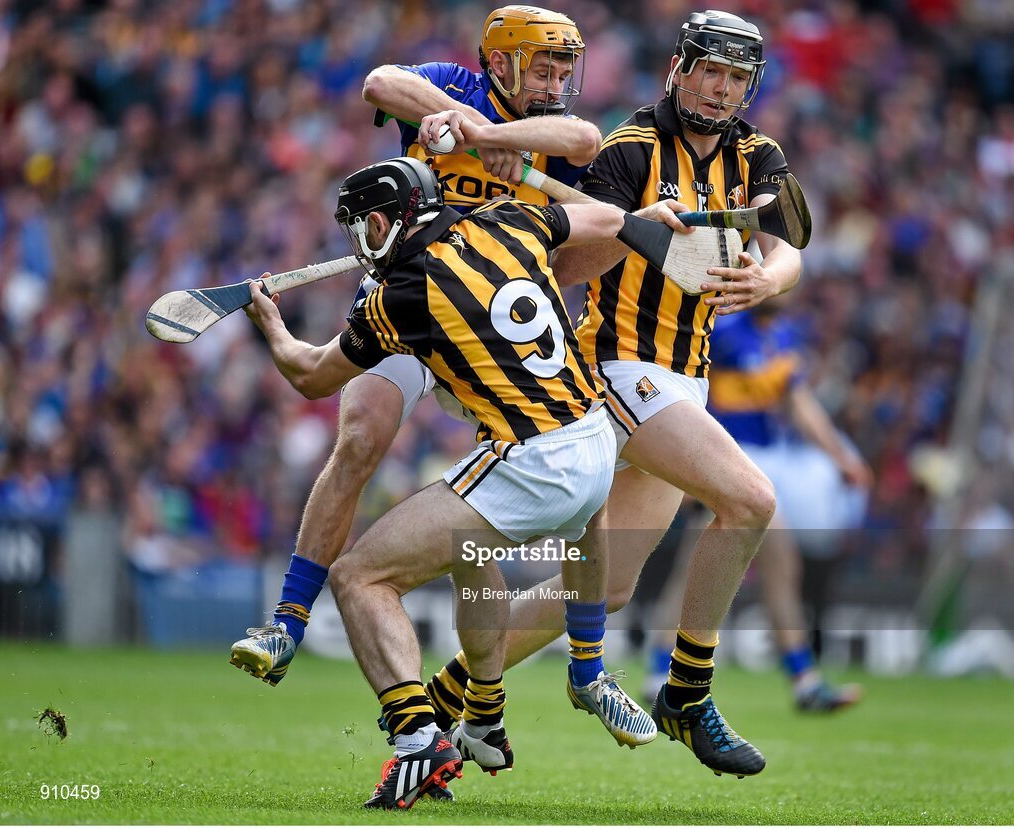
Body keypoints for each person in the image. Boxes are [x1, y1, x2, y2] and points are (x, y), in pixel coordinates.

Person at [423, 9, 801, 779]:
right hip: (619, 371)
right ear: (679, 68)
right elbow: (567, 249)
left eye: (738, 78)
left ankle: (444, 696)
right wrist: (629, 225)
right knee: (752, 501)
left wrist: (769, 276)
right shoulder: (630, 149)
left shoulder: (757, 153)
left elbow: (788, 237)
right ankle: (688, 691)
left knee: (610, 584)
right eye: (712, 72)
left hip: (681, 384)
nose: (723, 90)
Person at [241, 157, 658, 808]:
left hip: (533, 461)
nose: (359, 246)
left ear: (382, 221)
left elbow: (312, 375)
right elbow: (606, 218)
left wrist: (270, 322)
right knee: (470, 547)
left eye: (360, 230)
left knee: (360, 578)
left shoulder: (401, 294)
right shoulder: (511, 217)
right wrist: (646, 221)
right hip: (595, 444)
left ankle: (417, 738)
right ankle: (492, 713)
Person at [229, 4, 600, 687]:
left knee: (528, 469)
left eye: (563, 68)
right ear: (501, 61)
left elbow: (583, 140)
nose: (555, 80)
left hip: (486, 325)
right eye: (543, 65)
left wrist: (496, 135)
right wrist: (456, 119)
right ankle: (287, 620)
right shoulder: (454, 85)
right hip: (410, 305)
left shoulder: (545, 132)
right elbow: (378, 82)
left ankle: (578, 667)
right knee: (360, 438)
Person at [644, 302, 873, 712]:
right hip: (723, 458)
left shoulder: (784, 335)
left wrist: (841, 458)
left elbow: (800, 405)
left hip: (760, 466)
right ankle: (802, 679)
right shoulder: (725, 331)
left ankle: (661, 671)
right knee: (756, 564)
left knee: (729, 566)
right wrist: (687, 463)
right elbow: (690, 393)